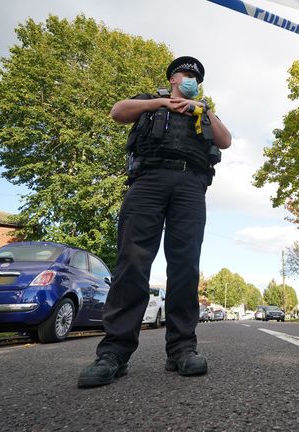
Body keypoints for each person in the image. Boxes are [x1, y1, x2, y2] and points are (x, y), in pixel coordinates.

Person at [78, 56, 231, 388]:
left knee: (185, 265)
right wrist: (162, 102)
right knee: (132, 261)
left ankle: (181, 350)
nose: (190, 78)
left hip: (190, 184)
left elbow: (225, 140)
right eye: (185, 73)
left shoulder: (203, 110)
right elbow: (118, 112)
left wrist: (202, 109)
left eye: (195, 76)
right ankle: (113, 353)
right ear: (173, 78)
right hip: (148, 180)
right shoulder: (149, 100)